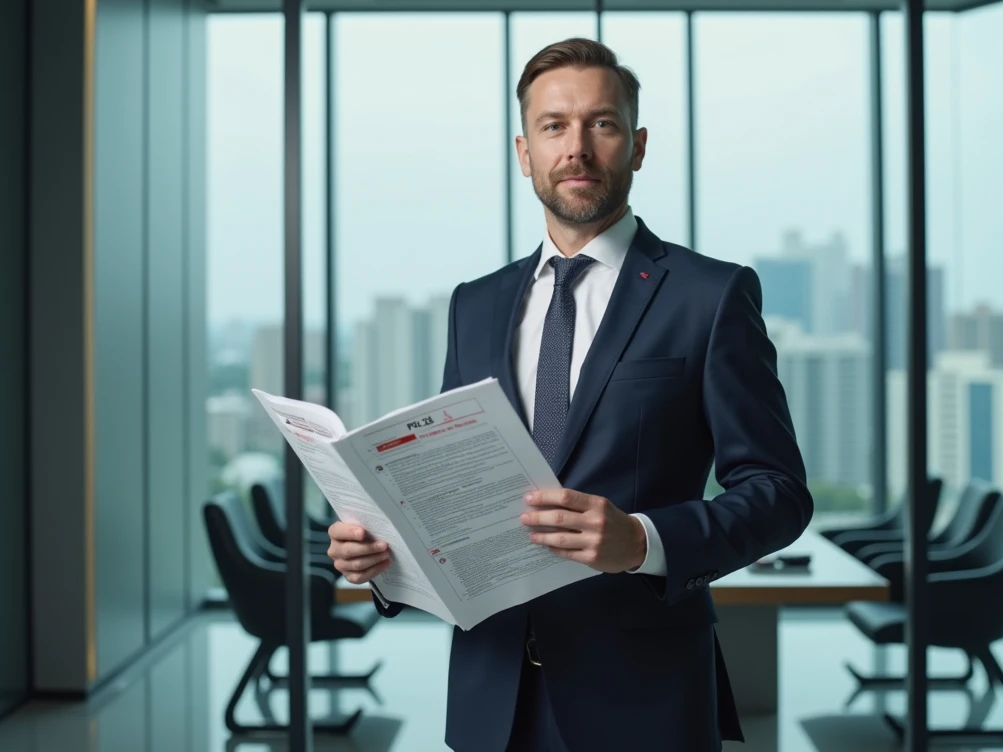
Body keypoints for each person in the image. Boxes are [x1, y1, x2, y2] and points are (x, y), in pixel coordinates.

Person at [327, 38, 812, 752]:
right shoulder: (476, 304)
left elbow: (777, 491)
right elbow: (446, 492)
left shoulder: (710, 297)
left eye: (602, 124)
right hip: (492, 700)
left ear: (637, 145)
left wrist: (641, 541)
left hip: (645, 702)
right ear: (524, 151)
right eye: (554, 126)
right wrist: (384, 557)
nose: (577, 147)